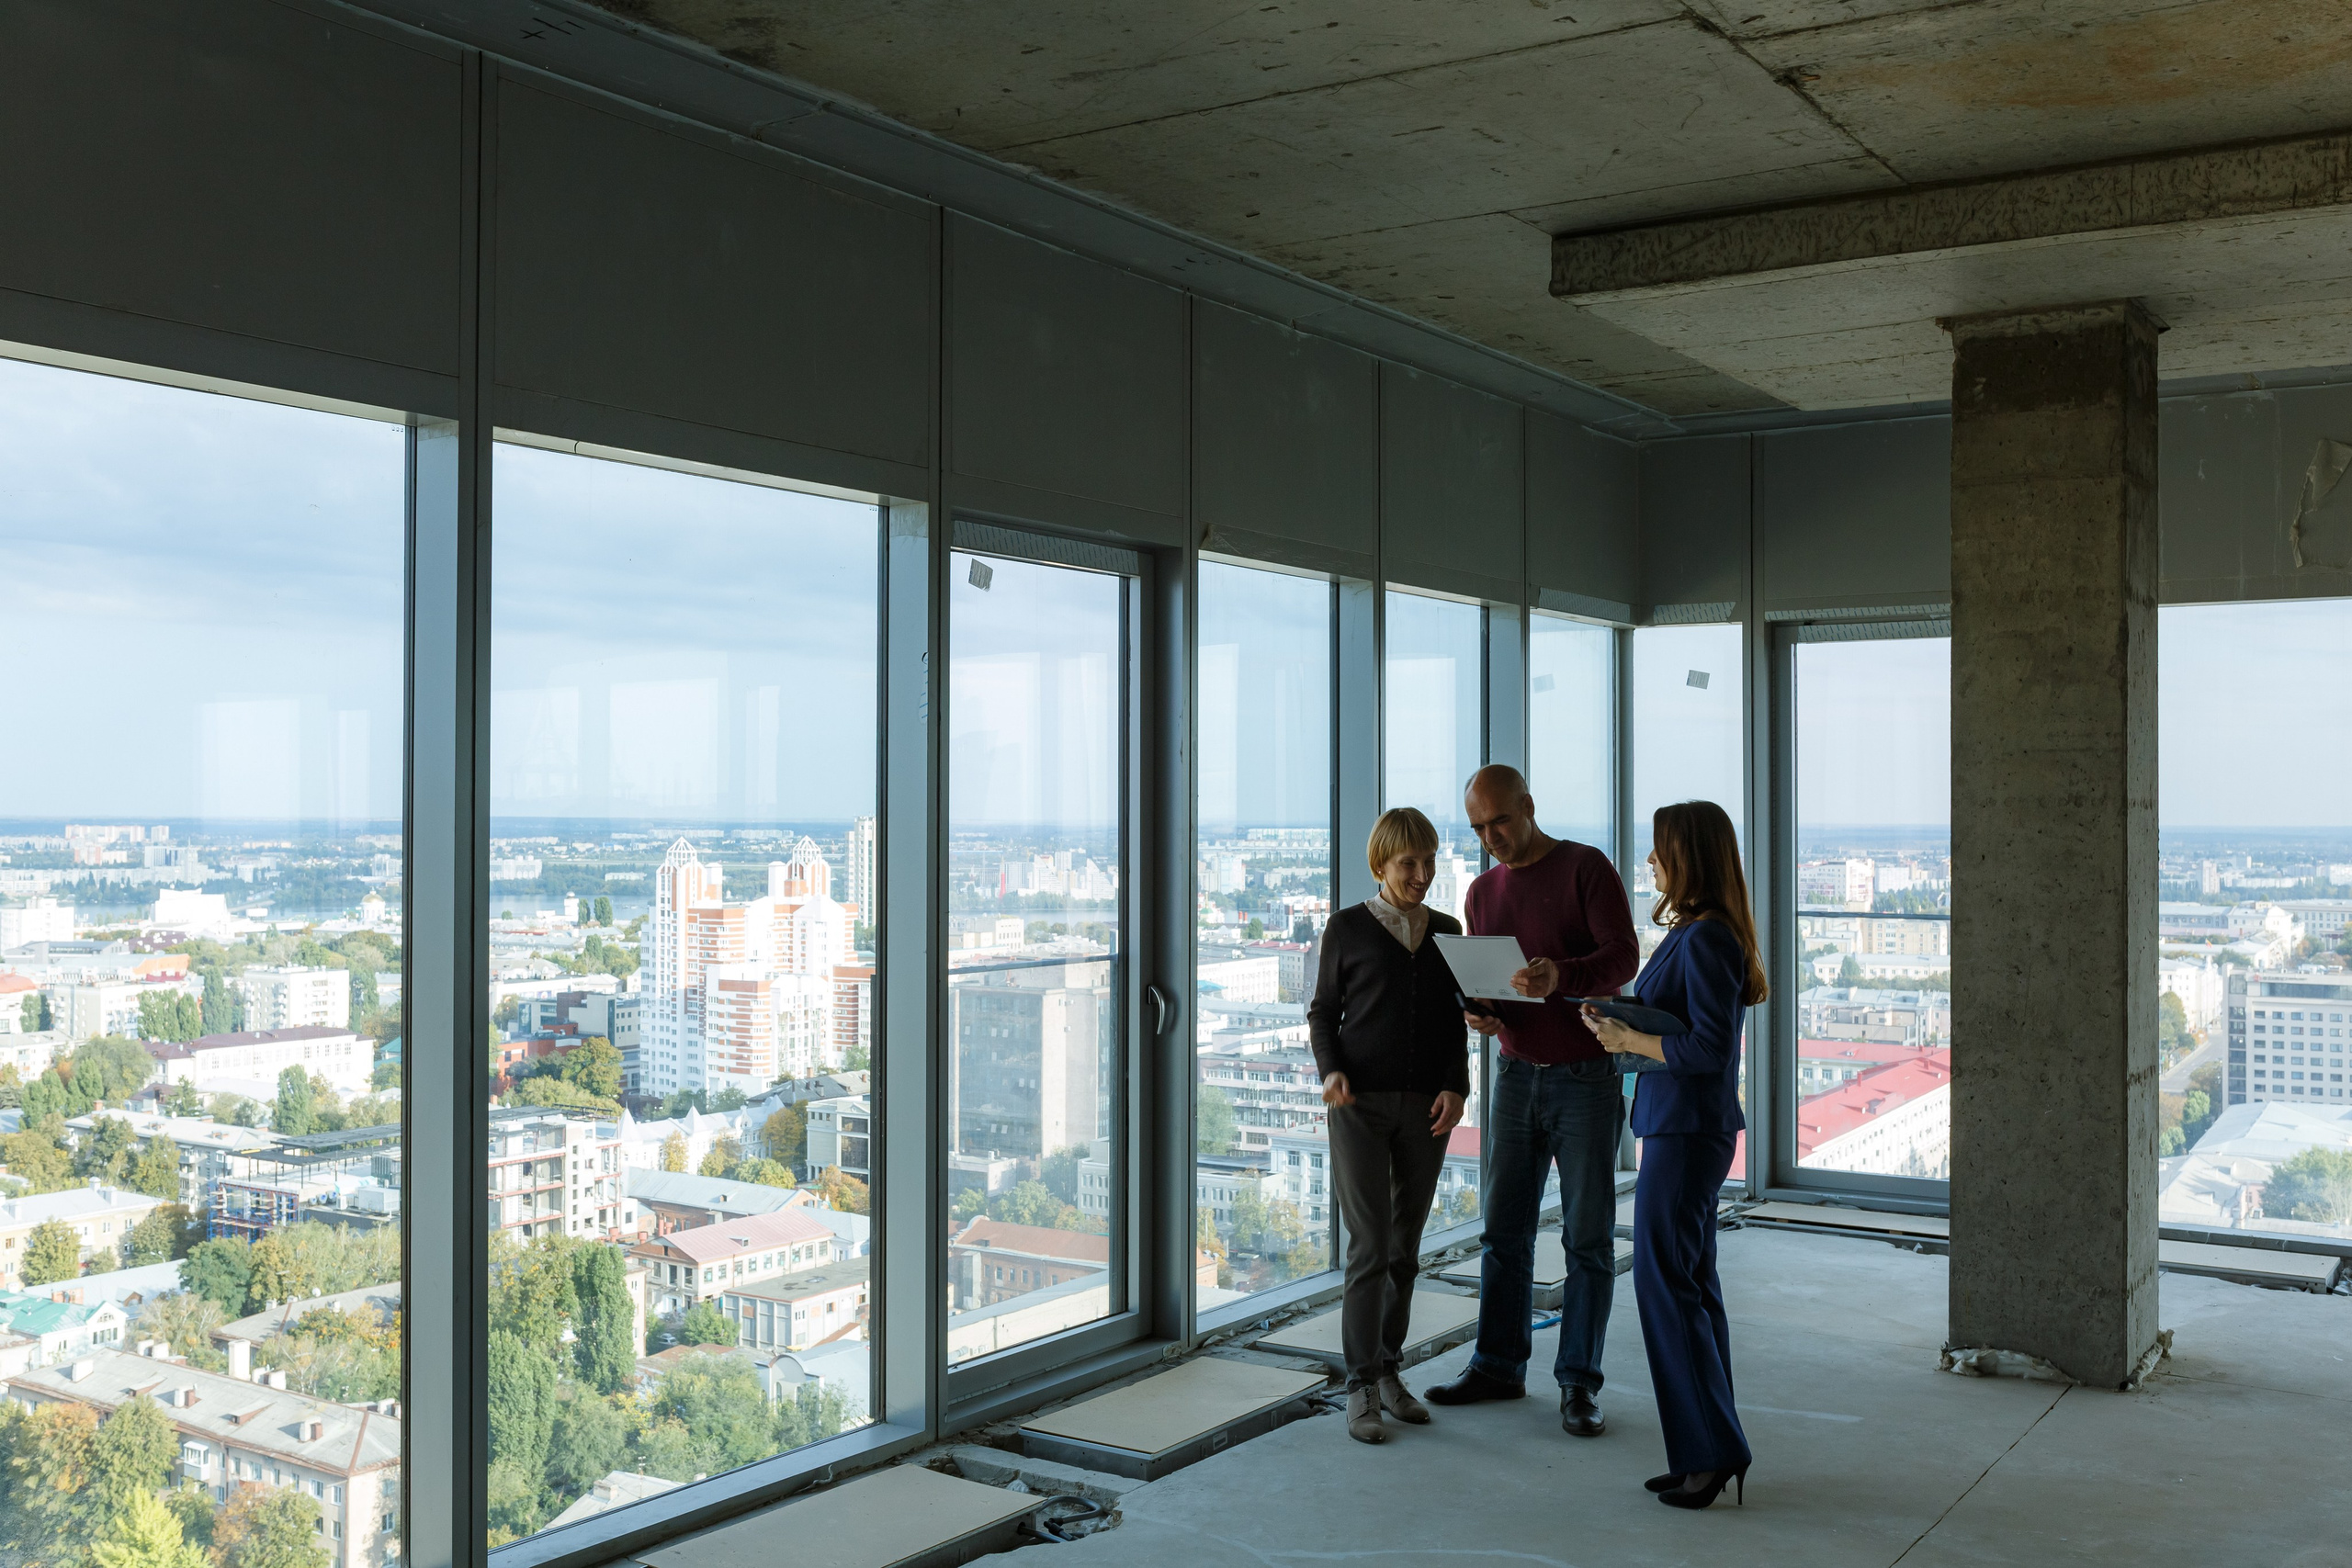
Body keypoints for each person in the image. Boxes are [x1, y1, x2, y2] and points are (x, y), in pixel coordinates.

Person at [1424, 764, 1638, 1438]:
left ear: (1529, 805)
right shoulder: (1482, 892)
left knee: (1588, 1238)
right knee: (1503, 1233)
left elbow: (1624, 957)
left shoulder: (1585, 867)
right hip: (1515, 1073)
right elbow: (1495, 988)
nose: (1492, 838)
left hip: (1584, 1077)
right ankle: (1497, 1366)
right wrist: (1483, 1014)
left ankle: (1578, 1382)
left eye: (1501, 822)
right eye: (1479, 828)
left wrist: (1561, 975)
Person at [1583, 799, 1764, 1510]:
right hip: (1680, 1125)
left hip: (1687, 1131)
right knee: (1688, 1284)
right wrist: (1620, 1015)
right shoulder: (1697, 931)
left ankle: (1709, 1453)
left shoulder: (1709, 937)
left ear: (1686, 856)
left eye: (1660, 850)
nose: (1651, 862)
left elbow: (1708, 1048)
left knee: (1666, 1286)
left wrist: (1629, 1041)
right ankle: (1708, 1450)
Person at [1307, 806, 1471, 1444]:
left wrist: (1458, 1085)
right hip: (1358, 1108)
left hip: (1427, 1109)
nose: (1423, 873)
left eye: (1430, 861)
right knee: (1370, 1247)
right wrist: (1330, 1072)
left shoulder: (1449, 931)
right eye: (1410, 862)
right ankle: (1359, 1385)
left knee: (1406, 1247)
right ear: (1382, 864)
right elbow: (1324, 1013)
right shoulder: (1346, 928)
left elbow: (1456, 1022)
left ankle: (1390, 1373)